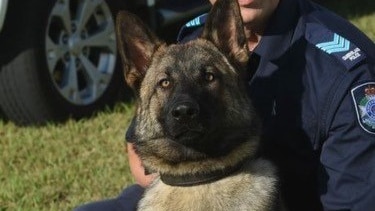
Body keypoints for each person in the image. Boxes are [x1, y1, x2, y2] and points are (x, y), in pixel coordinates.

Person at [75, 0, 375, 210]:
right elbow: (139, 145)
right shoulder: (194, 36)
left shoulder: (344, 70)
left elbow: (355, 202)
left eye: (207, 78)